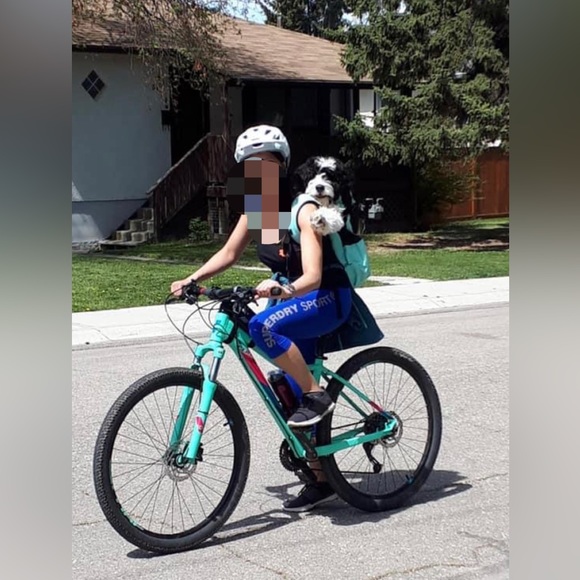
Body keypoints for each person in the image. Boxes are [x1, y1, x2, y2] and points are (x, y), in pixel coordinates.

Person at [170, 124, 353, 511]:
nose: (260, 174)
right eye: (251, 167)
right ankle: (322, 477)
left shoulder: (303, 210)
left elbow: (314, 275)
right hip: (297, 302)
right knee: (288, 393)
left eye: (268, 165)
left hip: (326, 297)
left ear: (281, 169)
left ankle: (318, 395)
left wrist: (281, 290)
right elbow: (228, 254)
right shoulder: (257, 212)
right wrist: (192, 280)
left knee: (262, 326)